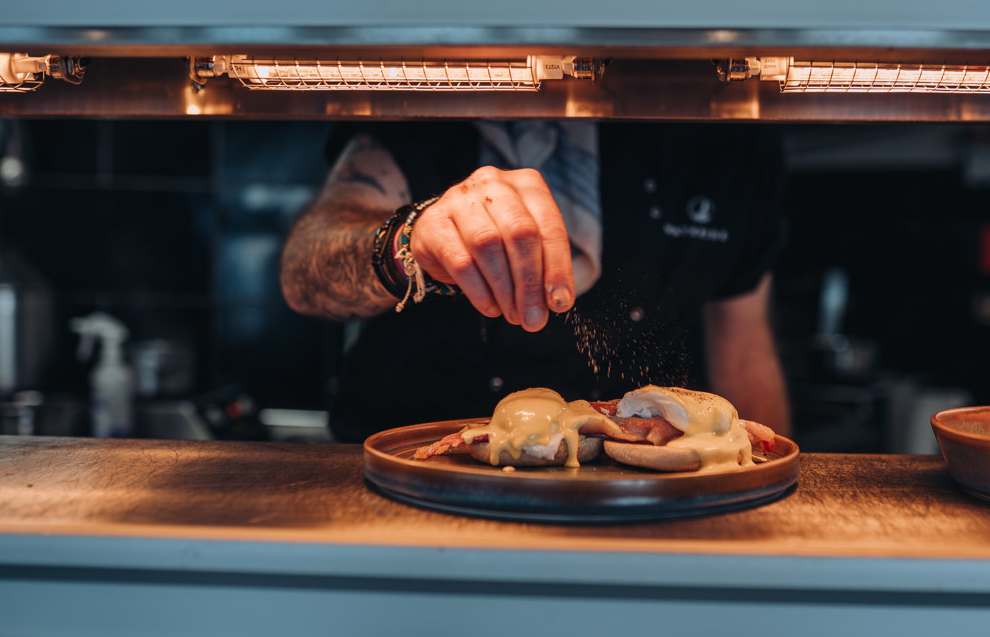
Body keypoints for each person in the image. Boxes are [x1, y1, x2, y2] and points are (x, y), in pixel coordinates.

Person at [280, 120, 791, 443]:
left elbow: (743, 347)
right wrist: (407, 243)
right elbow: (305, 271)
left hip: (638, 480)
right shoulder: (430, 86)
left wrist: (773, 483)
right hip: (412, 464)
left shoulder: (734, 121)